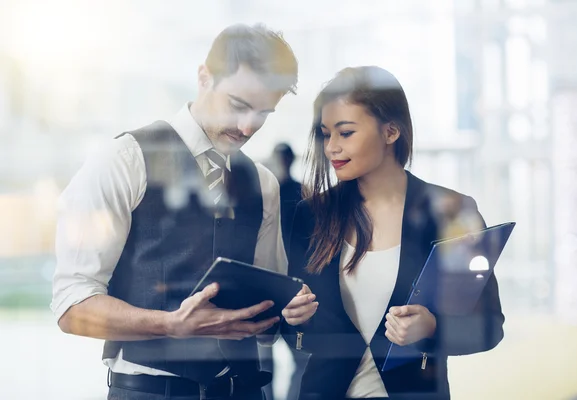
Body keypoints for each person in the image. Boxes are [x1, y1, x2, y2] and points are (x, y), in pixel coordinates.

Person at [51, 23, 312, 400]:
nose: (247, 127)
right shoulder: (123, 160)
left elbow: (265, 318)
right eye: (238, 105)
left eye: (263, 113)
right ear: (204, 76)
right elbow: (71, 306)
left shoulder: (264, 183)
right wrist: (171, 325)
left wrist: (289, 310)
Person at [280, 66, 504, 399]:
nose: (331, 148)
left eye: (346, 133)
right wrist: (293, 318)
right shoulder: (312, 214)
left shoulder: (451, 212)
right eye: (326, 134)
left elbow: (488, 327)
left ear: (391, 132)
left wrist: (432, 327)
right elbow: (298, 332)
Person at [260, 143, 308, 400]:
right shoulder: (299, 193)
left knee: (279, 360)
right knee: (268, 360)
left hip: (281, 285)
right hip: (285, 285)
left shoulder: (298, 194)